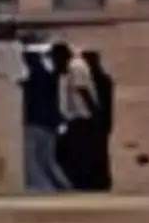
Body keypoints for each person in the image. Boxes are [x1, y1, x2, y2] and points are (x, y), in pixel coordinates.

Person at [19, 42, 70, 193]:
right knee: (47, 158)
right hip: (49, 122)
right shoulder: (51, 78)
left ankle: (43, 187)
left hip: (33, 121)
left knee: (32, 159)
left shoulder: (30, 81)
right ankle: (62, 186)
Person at [53, 42, 99, 191]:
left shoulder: (76, 66)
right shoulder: (68, 69)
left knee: (81, 153)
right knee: (77, 153)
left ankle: (84, 183)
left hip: (82, 118)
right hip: (75, 118)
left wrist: (95, 114)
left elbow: (83, 90)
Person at [81, 50, 116, 191]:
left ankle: (98, 181)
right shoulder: (105, 79)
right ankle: (101, 180)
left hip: (98, 121)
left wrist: (94, 112)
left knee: (96, 152)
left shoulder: (96, 79)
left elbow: (97, 101)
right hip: (104, 120)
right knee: (100, 151)